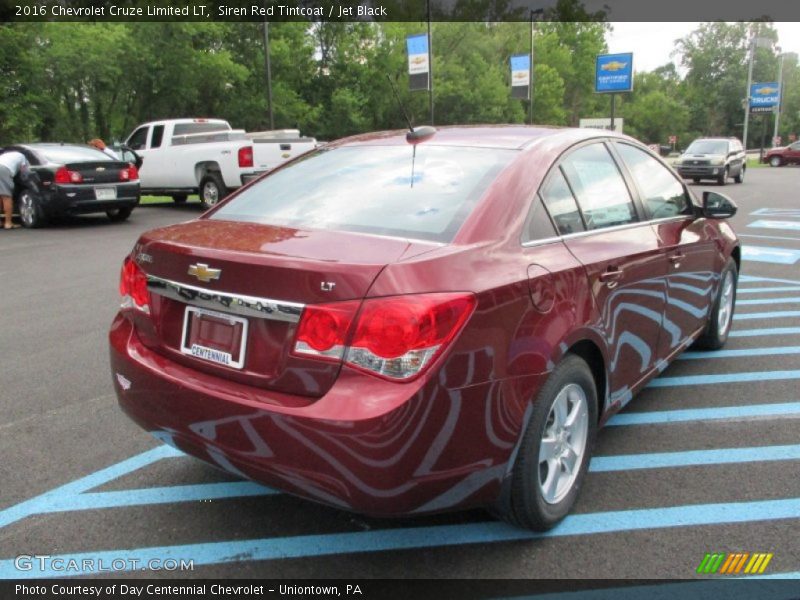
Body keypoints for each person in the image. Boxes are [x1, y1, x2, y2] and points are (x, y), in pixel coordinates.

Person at [0, 150, 30, 230]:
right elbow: (24, 172)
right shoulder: (23, 157)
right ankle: (8, 223)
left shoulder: (8, 155)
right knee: (6, 197)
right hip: (3, 169)